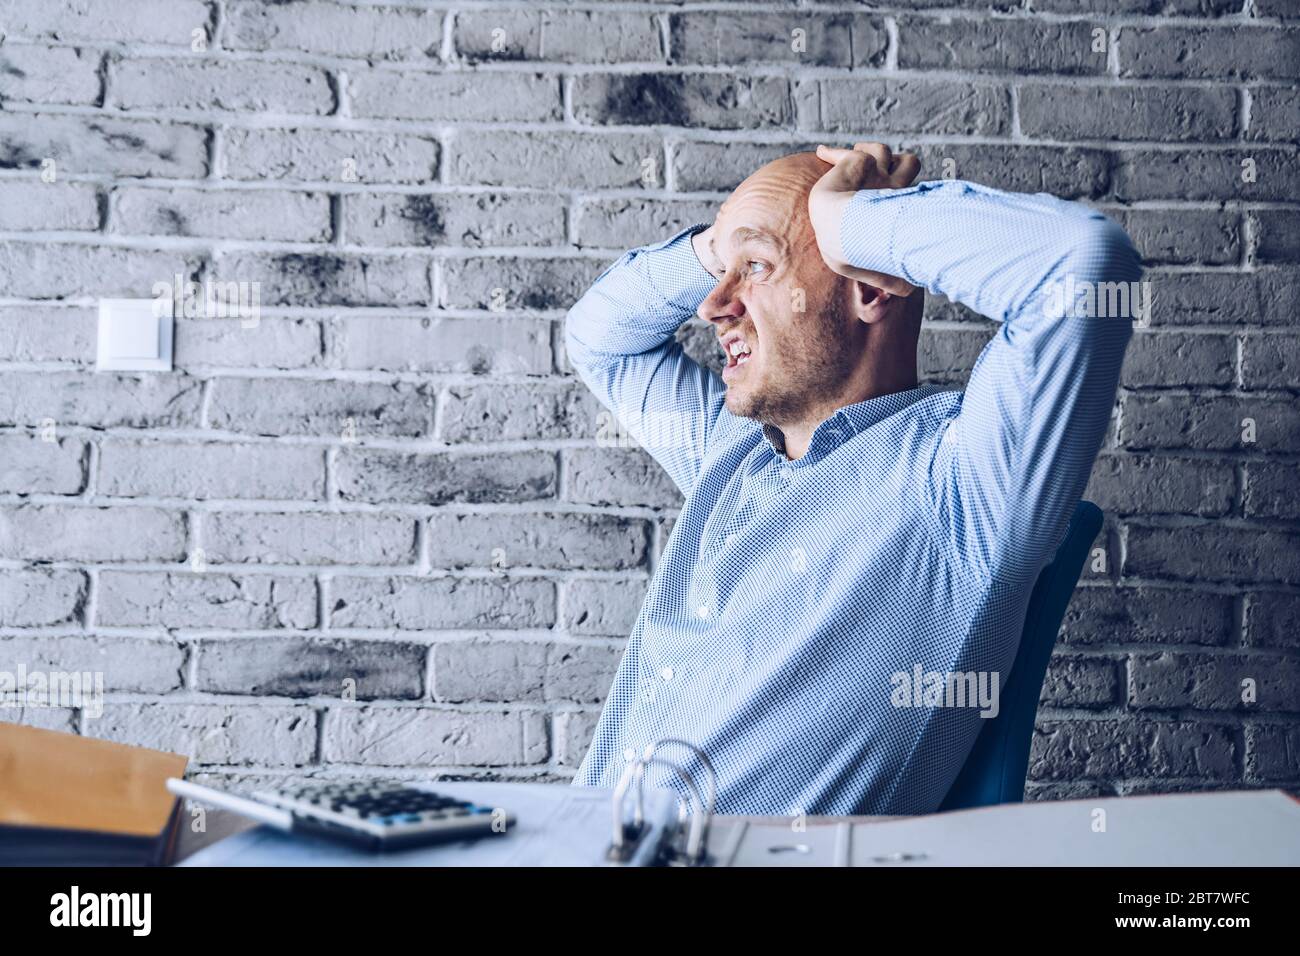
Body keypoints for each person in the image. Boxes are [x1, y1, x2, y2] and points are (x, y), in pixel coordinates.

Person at [565, 142, 1142, 815]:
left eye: (754, 267)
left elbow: (1083, 269)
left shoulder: (961, 483)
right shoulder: (729, 451)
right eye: (721, 273)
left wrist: (851, 222)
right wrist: (719, 246)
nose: (713, 306)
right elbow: (598, 336)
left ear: (869, 288)